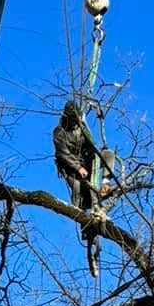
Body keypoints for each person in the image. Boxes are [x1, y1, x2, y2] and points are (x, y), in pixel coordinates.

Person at [52, 102, 105, 275]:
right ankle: (85, 224)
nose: (75, 124)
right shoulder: (59, 132)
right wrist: (77, 167)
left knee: (106, 157)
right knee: (79, 193)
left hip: (88, 164)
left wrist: (95, 161)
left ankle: (104, 186)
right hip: (71, 169)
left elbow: (90, 145)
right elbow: (62, 154)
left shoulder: (82, 128)